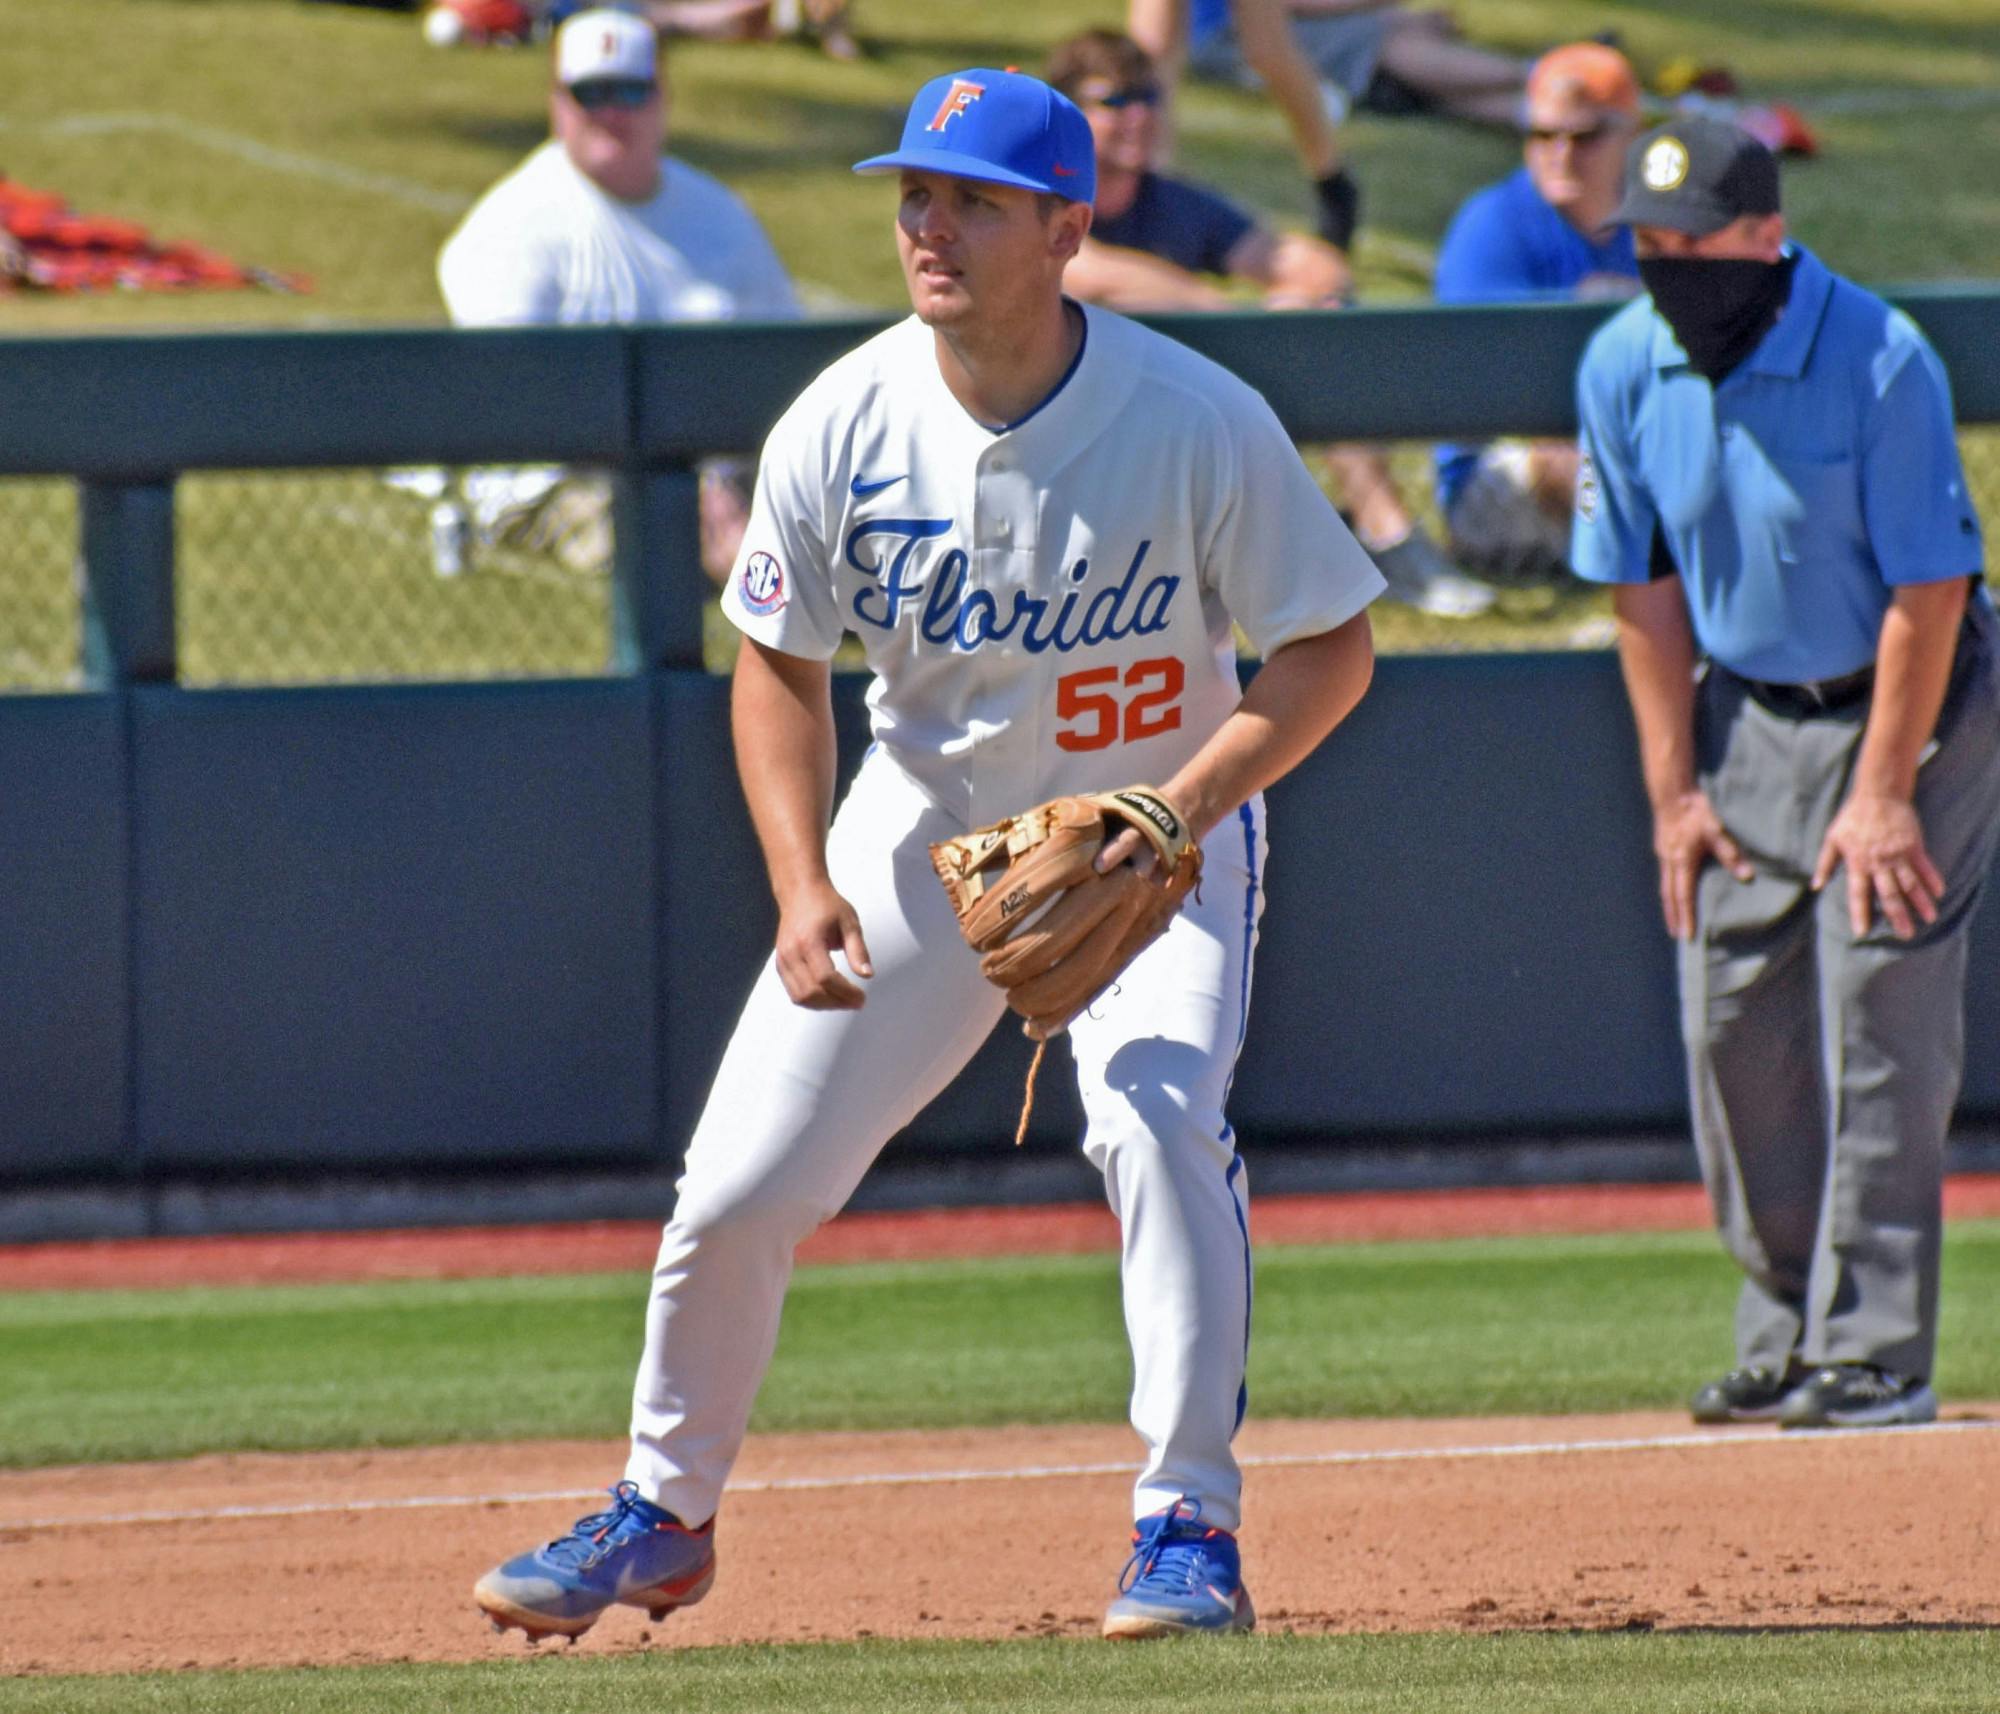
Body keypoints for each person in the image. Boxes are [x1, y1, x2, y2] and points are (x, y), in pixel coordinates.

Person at [473, 66, 1382, 1644]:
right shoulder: (843, 416)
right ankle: (662, 1513)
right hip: (919, 820)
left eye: (971, 199)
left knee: (1156, 1112)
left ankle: (1188, 1528)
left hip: (1153, 830)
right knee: (737, 1184)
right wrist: (799, 881)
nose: (929, 225)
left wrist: (1184, 805)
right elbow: (776, 659)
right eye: (914, 193)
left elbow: (1331, 648)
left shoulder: (1195, 417)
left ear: (1066, 229)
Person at [1572, 115, 2000, 1431]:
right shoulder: (1623, 359)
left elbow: (1933, 583)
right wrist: (1671, 798)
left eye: (1694, 239)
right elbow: (1641, 590)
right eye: (1648, 241)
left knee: (1879, 1015)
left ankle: (1874, 1347)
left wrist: (1883, 791)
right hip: (1744, 712)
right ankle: (1786, 1322)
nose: (1670, 264)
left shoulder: (1879, 357)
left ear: (1766, 233)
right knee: (1731, 1024)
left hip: (1914, 705)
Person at [1052, 28, 1493, 620]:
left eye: (1149, 100)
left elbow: (1299, 263)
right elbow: (1092, 274)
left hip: (1182, 418)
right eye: (1115, 102)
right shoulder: (1045, 204)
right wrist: (1230, 319)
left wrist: (1305, 293)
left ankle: (1389, 534)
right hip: (1073, 438)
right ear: (1070, 117)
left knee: (1315, 323)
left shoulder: (1173, 201)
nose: (1138, 116)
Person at [436, 6, 800, 581]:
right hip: (558, 484)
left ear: (662, 100)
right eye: (590, 93)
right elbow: (524, 410)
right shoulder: (511, 226)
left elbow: (786, 372)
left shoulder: (720, 214)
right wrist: (685, 487)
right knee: (675, 544)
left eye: (630, 92)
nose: (610, 113)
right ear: (557, 104)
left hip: (717, 469)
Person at [1433, 41, 1642, 584]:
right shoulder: (1493, 224)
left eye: (1585, 136)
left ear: (1633, 134)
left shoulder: (1661, 226)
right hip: (1504, 475)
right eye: (1543, 134)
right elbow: (1488, 389)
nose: (1561, 153)